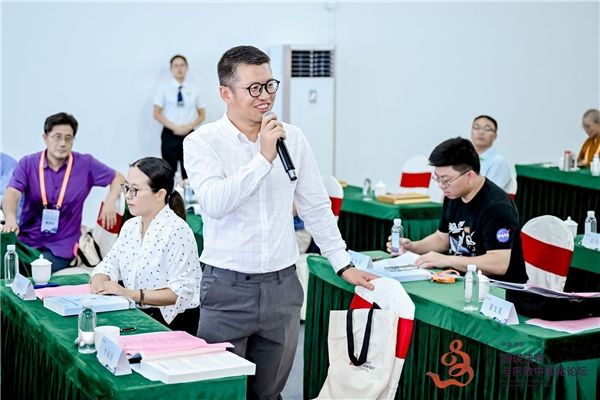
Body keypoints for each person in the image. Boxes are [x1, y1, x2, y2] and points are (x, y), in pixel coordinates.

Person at [183, 45, 376, 400]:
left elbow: (316, 206)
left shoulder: (293, 137)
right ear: (226, 93)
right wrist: (263, 158)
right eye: (254, 88)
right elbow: (215, 203)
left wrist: (342, 262)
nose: (266, 96)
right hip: (227, 288)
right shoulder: (202, 142)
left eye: (270, 85)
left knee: (270, 393)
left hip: (282, 288)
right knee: (223, 392)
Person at [388, 137, 527, 284]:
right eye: (437, 178)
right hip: (460, 279)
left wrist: (448, 260)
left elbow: (498, 264)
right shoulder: (453, 194)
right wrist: (414, 247)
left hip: (498, 288)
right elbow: (443, 238)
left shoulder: (497, 207)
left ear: (470, 176)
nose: (441, 185)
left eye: (446, 180)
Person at [1, 112, 125, 272]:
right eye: (57, 137)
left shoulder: (85, 164)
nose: (62, 143)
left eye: (68, 138)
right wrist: (10, 218)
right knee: (6, 257)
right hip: (27, 240)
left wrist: (110, 201)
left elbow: (118, 177)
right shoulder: (28, 164)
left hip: (61, 247)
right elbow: (12, 192)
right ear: (45, 137)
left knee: (28, 268)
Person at [91, 157, 201, 334]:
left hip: (171, 324)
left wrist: (129, 294)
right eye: (126, 187)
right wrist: (99, 282)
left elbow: (179, 292)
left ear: (160, 194)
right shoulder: (131, 226)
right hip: (138, 315)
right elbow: (109, 263)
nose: (128, 195)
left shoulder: (177, 230)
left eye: (135, 190)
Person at [153, 54, 206, 180]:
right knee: (168, 172)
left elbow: (202, 114)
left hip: (189, 134)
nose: (179, 68)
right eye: (176, 66)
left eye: (182, 65)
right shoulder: (163, 88)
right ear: (171, 69)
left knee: (189, 171)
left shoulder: (194, 89)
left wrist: (188, 127)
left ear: (187, 67)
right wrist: (174, 127)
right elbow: (156, 113)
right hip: (170, 134)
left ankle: (188, 192)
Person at [470, 115, 514, 193]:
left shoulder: (498, 162)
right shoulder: (465, 158)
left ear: (495, 135)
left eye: (487, 129)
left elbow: (489, 194)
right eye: (477, 127)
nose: (481, 132)